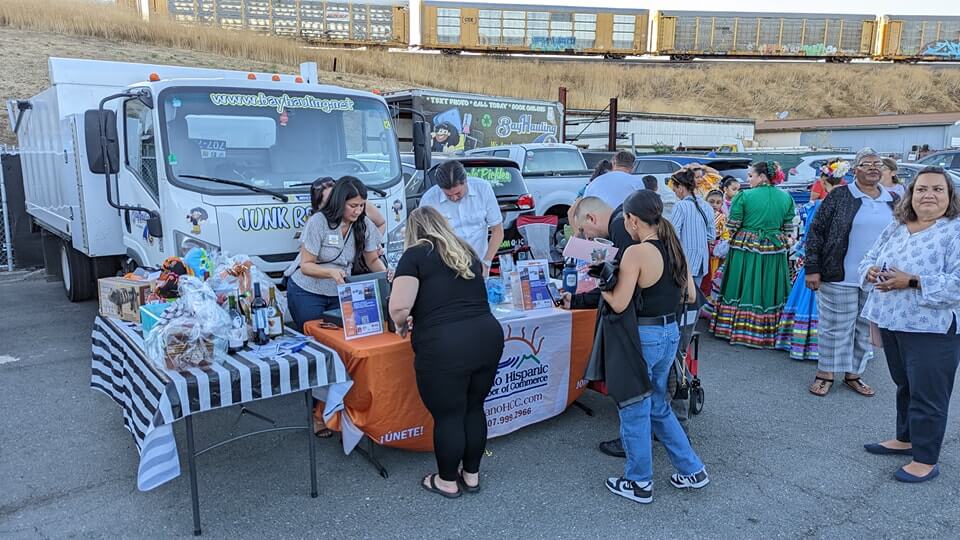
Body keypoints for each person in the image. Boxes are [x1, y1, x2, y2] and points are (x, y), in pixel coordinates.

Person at [599, 190, 708, 504]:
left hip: (643, 337)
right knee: (658, 404)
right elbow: (689, 295)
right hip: (670, 333)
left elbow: (619, 304)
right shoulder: (675, 247)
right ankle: (692, 470)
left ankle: (639, 483)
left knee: (634, 407)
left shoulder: (636, 252)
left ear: (633, 219)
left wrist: (600, 286)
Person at [388, 206, 504, 498]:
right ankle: (472, 476)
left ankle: (447, 480)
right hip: (486, 336)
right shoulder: (466, 250)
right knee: (474, 407)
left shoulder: (414, 255)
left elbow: (400, 307)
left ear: (414, 231)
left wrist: (402, 324)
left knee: (449, 415)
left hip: (444, 344)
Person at [859, 167, 960, 483]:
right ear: (910, 194)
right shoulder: (897, 227)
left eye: (937, 190)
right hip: (893, 322)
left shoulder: (954, 232)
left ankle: (925, 458)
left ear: (950, 196)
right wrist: (872, 271)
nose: (928, 195)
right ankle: (906, 438)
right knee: (906, 385)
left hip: (931, 329)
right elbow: (868, 258)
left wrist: (912, 280)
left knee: (929, 393)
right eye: (921, 189)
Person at [804, 148, 898, 397]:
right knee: (835, 327)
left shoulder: (893, 200)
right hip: (839, 275)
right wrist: (812, 268)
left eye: (877, 164)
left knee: (863, 328)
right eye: (866, 164)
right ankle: (825, 374)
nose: (873, 168)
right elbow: (816, 232)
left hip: (877, 278)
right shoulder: (839, 196)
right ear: (855, 170)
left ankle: (853, 374)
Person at [709, 161, 795, 349]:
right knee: (769, 286)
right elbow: (789, 229)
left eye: (751, 176)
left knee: (744, 283)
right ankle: (771, 330)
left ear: (763, 177)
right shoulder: (786, 197)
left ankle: (741, 329)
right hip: (775, 247)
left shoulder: (744, 196)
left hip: (746, 247)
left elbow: (732, 226)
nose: (748, 179)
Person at [287, 176, 385, 332]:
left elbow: (372, 259)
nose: (358, 211)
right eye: (353, 206)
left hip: (341, 292)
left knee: (343, 337)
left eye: (361, 205)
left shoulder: (364, 223)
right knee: (318, 337)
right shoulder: (318, 222)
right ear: (340, 202)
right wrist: (330, 272)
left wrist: (387, 274)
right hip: (307, 293)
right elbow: (306, 266)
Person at [775, 165, 845, 361]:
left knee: (810, 297)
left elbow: (810, 235)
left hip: (818, 259)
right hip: (841, 260)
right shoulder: (850, 203)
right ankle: (838, 347)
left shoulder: (819, 206)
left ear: (823, 182)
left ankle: (806, 343)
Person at [420, 160, 503, 277]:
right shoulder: (429, 199)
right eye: (448, 195)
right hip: (445, 267)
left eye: (458, 193)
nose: (454, 198)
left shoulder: (483, 189)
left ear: (465, 181)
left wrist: (486, 262)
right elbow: (424, 238)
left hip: (478, 263)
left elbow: (497, 231)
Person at [669, 169, 716, 285]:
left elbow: (673, 235)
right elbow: (711, 236)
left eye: (675, 190)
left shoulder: (680, 206)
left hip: (684, 262)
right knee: (695, 297)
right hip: (701, 262)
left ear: (680, 188)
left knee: (683, 298)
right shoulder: (706, 206)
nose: (675, 193)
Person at [704, 190, 730, 294]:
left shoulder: (722, 217)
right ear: (706, 201)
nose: (714, 205)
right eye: (711, 201)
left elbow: (726, 233)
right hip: (703, 247)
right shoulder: (702, 215)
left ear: (722, 204)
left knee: (713, 273)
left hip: (715, 250)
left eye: (718, 202)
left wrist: (718, 243)